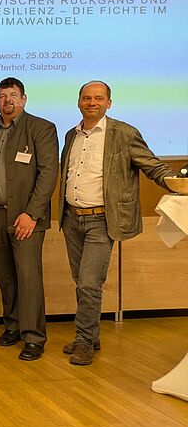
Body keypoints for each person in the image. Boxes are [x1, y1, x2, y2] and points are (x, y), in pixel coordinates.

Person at [59, 81, 174, 366]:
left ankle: (84, 341)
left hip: (102, 220)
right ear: (78, 102)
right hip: (72, 219)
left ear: (109, 103)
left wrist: (175, 183)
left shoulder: (124, 133)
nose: (92, 103)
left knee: (89, 283)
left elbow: (152, 165)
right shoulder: (71, 135)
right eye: (87, 98)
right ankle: (92, 335)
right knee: (81, 282)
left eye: (99, 98)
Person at [0, 78, 59, 361]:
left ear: (24, 99)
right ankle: (13, 326)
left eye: (12, 95)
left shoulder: (41, 128)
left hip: (25, 219)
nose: (7, 100)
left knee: (28, 278)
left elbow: (48, 173)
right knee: (6, 277)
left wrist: (32, 213)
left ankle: (33, 337)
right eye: (2, 95)